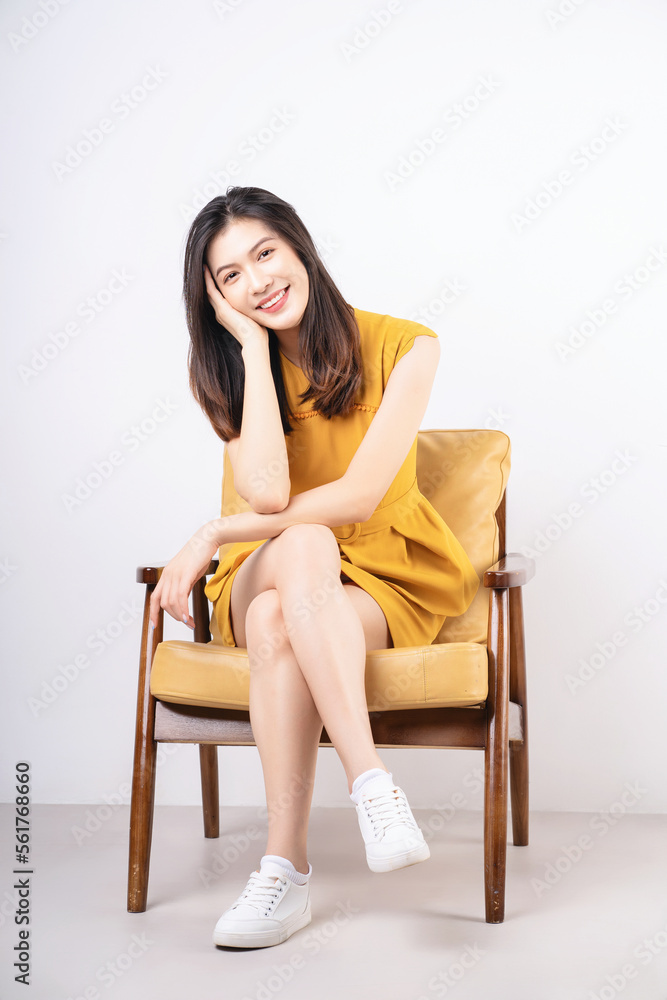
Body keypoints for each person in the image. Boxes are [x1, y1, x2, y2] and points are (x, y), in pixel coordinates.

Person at [148, 186, 480, 950]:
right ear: (216, 298)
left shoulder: (406, 345)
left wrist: (210, 530)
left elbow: (360, 495)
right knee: (298, 546)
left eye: (264, 253)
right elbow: (269, 491)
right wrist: (253, 352)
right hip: (265, 564)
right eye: (229, 276)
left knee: (281, 614)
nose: (257, 280)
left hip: (381, 575)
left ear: (298, 245)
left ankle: (283, 869)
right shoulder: (234, 369)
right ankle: (372, 785)